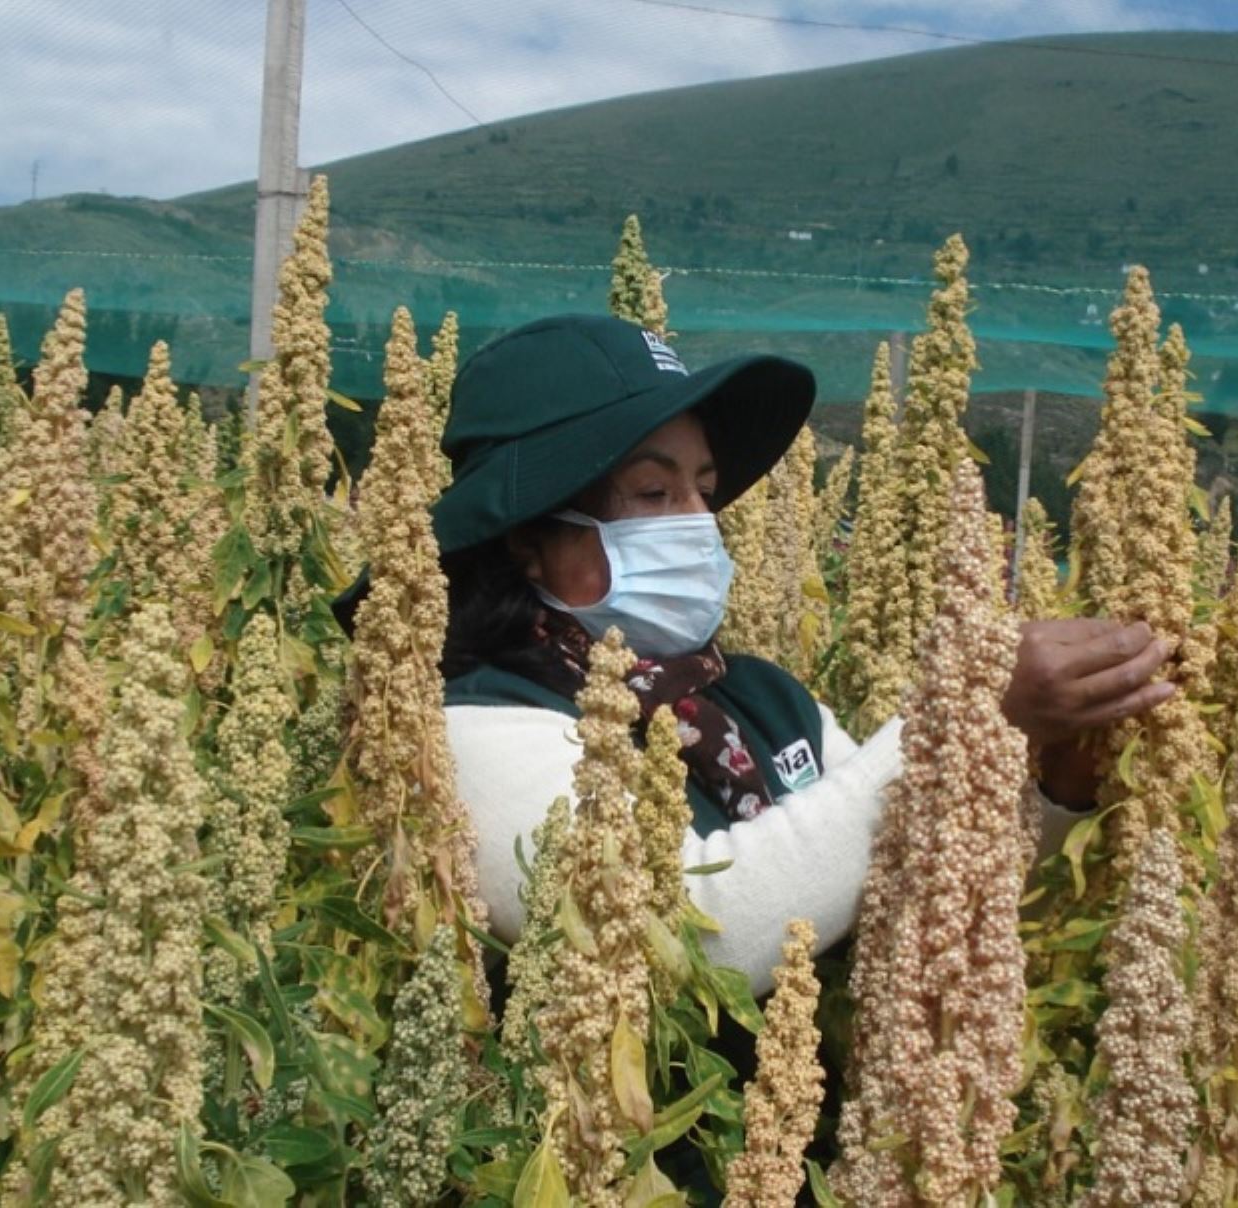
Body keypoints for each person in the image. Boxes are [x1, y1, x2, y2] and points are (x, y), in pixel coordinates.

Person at [401, 314, 1173, 992]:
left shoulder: (764, 703)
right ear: (529, 542)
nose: (700, 522)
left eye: (704, 490)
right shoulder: (477, 725)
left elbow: (915, 888)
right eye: (653, 493)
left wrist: (1050, 783)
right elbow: (700, 938)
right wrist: (961, 718)